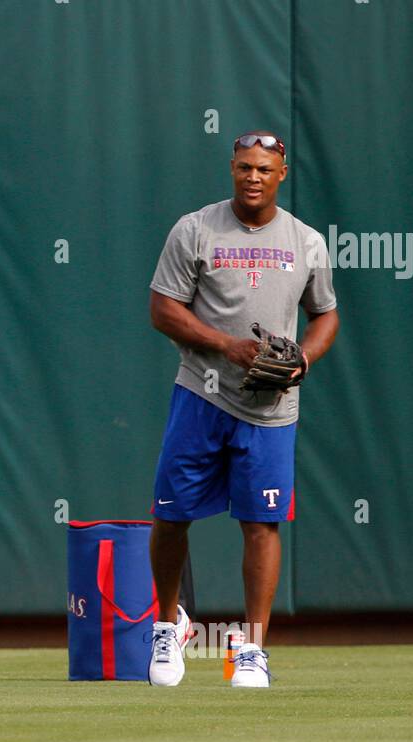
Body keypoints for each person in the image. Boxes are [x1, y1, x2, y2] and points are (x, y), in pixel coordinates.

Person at [146, 132, 340, 688]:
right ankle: (167, 626)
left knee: (262, 523)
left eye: (264, 168)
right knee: (170, 512)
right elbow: (163, 310)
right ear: (231, 169)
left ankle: (252, 648)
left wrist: (304, 356)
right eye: (244, 167)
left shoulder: (305, 241)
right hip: (201, 394)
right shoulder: (196, 229)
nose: (253, 177)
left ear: (283, 174)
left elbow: (325, 314)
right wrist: (224, 345)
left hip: (270, 406)